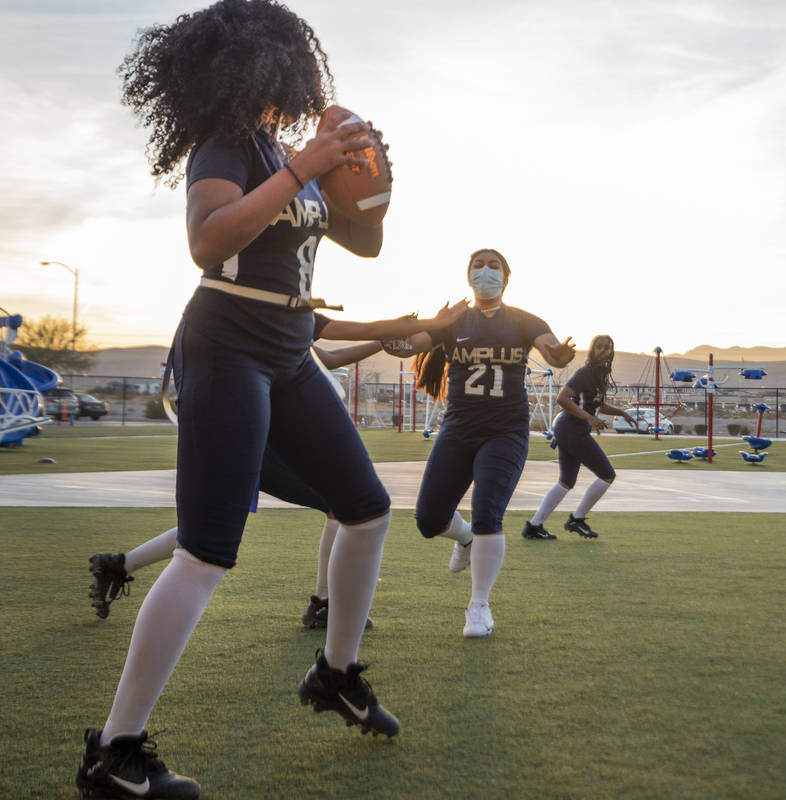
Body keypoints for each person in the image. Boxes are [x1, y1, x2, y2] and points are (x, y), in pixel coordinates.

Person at [78, 4, 398, 797]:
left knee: (366, 506)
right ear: (256, 71)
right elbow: (208, 239)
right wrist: (305, 166)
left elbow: (364, 241)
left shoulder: (280, 149)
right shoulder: (224, 145)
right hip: (226, 343)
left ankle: (336, 674)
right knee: (207, 550)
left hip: (288, 349)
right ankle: (113, 753)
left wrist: (366, 179)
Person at [87, 304, 467, 628]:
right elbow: (356, 333)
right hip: (245, 427)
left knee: (212, 525)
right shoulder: (272, 302)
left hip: (232, 424)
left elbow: (328, 358)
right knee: (339, 502)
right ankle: (324, 605)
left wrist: (392, 336)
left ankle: (119, 564)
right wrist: (424, 326)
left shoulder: (275, 301)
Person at [406, 248, 575, 638]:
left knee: (488, 512)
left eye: (493, 266)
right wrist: (397, 332)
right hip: (459, 427)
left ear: (507, 276)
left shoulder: (523, 320)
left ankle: (478, 606)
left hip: (505, 430)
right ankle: (463, 539)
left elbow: (551, 349)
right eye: (478, 266)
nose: (486, 272)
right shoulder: (455, 321)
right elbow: (410, 344)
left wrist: (559, 354)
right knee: (428, 520)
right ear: (468, 275)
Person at [522, 334, 635, 540]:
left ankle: (534, 526)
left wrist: (623, 413)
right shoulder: (586, 373)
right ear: (592, 350)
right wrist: (590, 419)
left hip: (571, 429)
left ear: (612, 352)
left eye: (607, 348)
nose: (603, 351)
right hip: (571, 428)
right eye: (599, 347)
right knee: (607, 474)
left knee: (566, 481)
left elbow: (597, 405)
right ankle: (577, 519)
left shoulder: (600, 376)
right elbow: (562, 398)